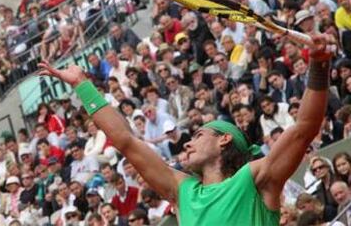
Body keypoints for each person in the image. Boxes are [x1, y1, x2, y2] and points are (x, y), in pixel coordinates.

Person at [39, 23, 334, 225]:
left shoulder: (255, 180)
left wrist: (319, 62)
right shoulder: (182, 190)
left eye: (198, 134)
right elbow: (126, 140)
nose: (188, 142)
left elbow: (303, 128)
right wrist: (82, 85)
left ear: (224, 140)